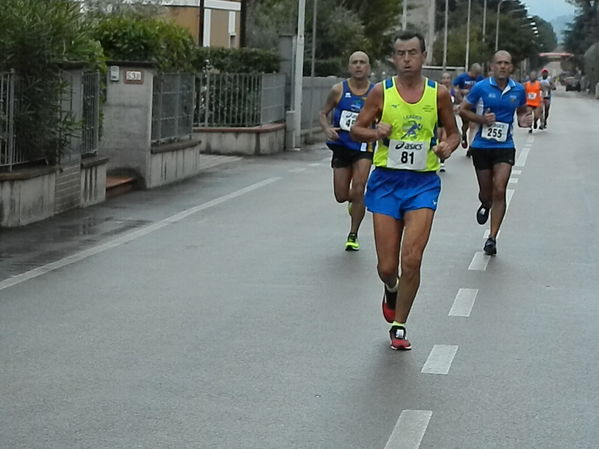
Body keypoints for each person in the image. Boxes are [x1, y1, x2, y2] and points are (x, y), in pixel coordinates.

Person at [351, 31, 460, 350]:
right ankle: (391, 288)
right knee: (387, 267)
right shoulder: (380, 93)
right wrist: (374, 131)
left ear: (424, 56)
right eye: (401, 53)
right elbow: (356, 128)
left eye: (413, 52)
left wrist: (446, 147)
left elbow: (453, 133)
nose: (407, 59)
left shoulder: (437, 94)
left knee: (411, 259)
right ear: (394, 58)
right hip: (386, 182)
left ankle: (399, 324)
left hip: (422, 184)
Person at [458, 50, 533, 256]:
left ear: (511, 67)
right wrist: (482, 120)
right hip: (482, 146)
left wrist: (523, 119)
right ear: (492, 66)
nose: (502, 66)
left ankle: (492, 237)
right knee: (486, 192)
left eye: (506, 63)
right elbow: (463, 110)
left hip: (504, 146)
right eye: (499, 63)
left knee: (500, 189)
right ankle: (485, 202)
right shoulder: (481, 88)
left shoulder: (518, 89)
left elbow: (522, 110)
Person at [320, 51, 375, 251]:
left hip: (364, 146)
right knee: (341, 195)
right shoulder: (338, 90)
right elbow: (322, 113)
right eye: (355, 63)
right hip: (342, 145)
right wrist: (326, 128)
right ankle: (353, 202)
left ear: (368, 67)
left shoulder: (376, 92)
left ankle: (353, 234)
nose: (358, 66)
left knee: (359, 187)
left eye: (362, 63)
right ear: (349, 67)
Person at [453, 63, 484, 155]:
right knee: (465, 125)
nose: (476, 76)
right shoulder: (462, 77)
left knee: (473, 125)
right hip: (464, 105)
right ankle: (463, 135)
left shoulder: (480, 78)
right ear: (471, 71)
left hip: (474, 105)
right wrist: (460, 93)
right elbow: (455, 87)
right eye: (475, 74)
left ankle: (471, 147)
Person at [439, 72, 459, 172]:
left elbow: (459, 102)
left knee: (444, 139)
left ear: (451, 80)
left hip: (447, 120)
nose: (446, 80)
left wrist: (456, 108)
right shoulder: (436, 90)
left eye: (448, 78)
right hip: (437, 120)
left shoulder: (454, 91)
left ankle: (442, 162)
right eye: (444, 78)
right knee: (437, 139)